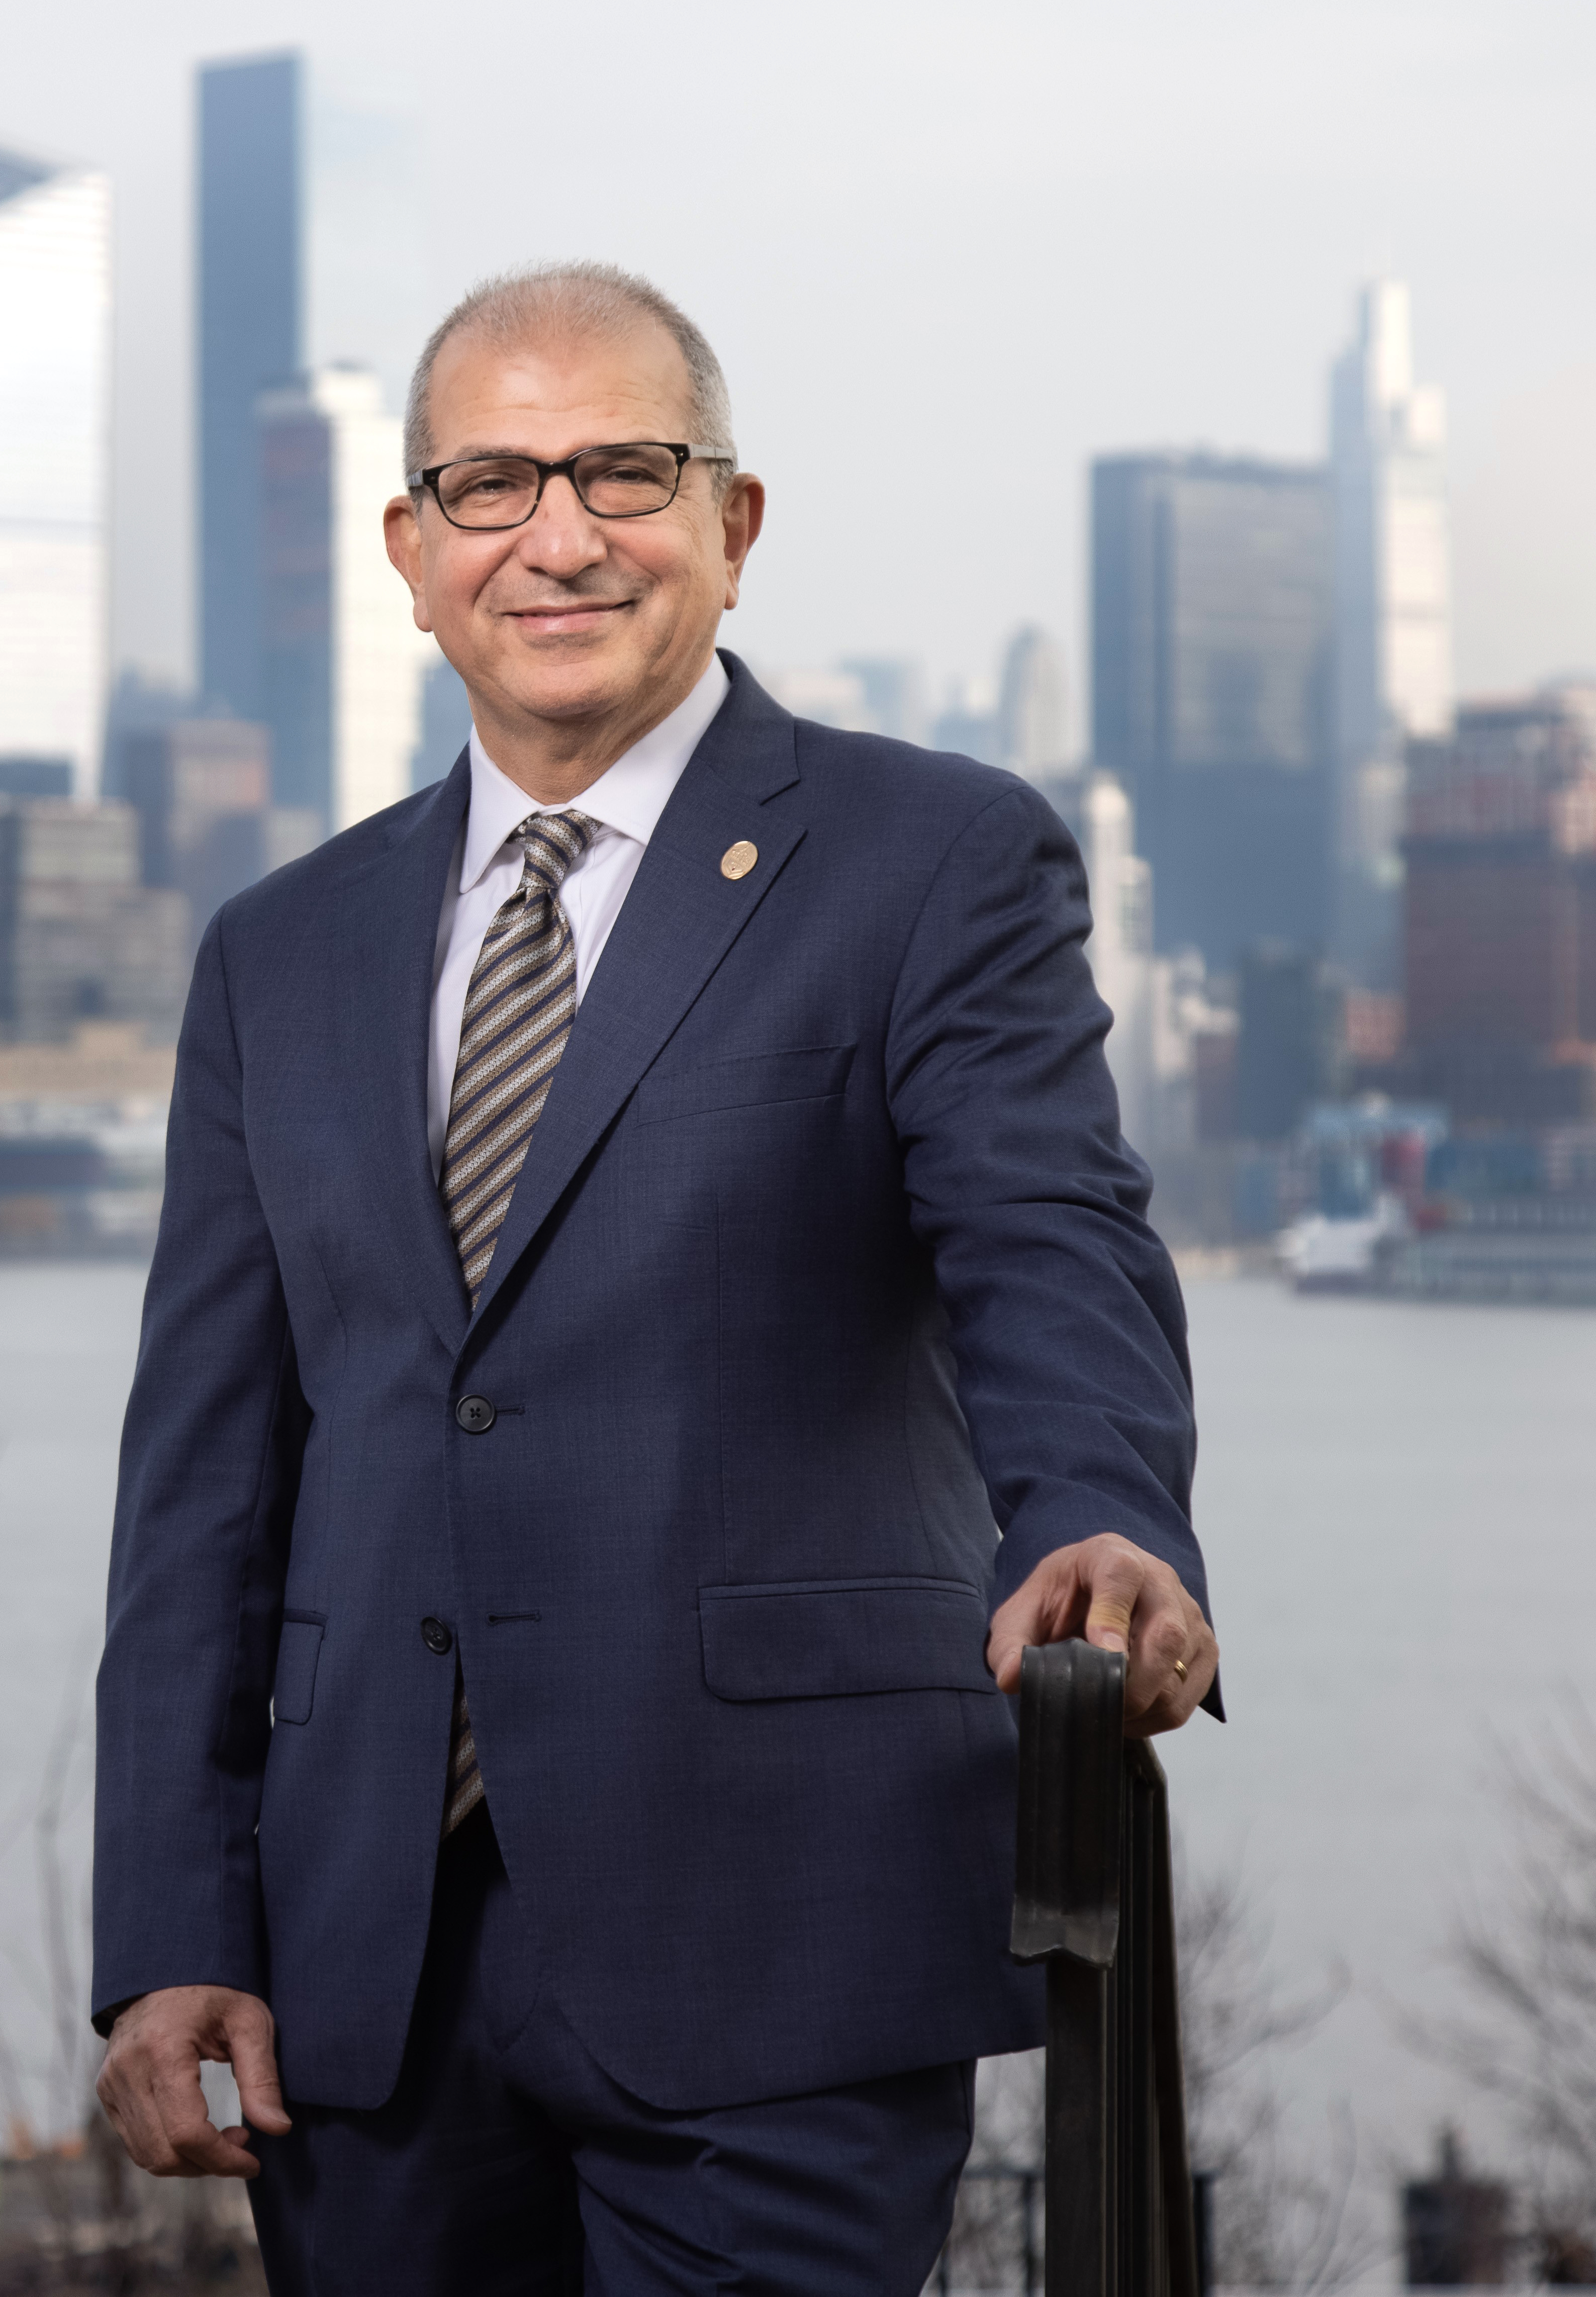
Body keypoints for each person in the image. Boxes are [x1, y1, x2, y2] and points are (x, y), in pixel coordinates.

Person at [88, 263, 1218, 2294]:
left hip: (778, 1924)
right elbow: (203, 1486)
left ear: (730, 523)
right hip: (369, 1964)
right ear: (411, 552)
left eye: (622, 470)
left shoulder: (929, 862)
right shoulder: (279, 952)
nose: (558, 535)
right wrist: (173, 1923)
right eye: (492, 483)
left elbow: (1046, 1234)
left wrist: (1102, 1512)